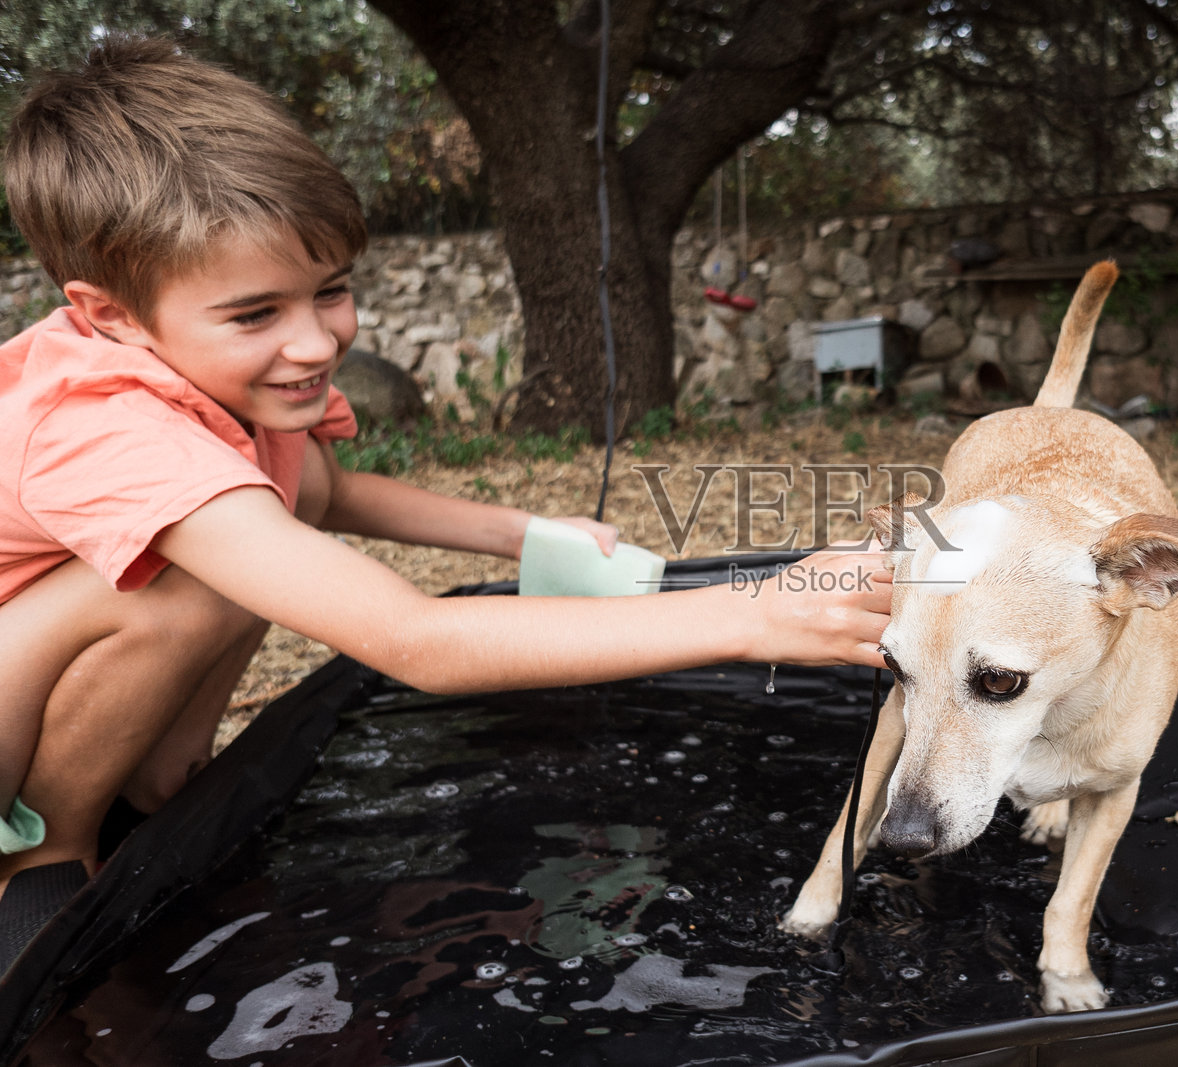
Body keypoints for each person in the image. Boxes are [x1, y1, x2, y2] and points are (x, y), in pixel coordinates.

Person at [0, 37, 890, 972]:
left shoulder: (227, 379)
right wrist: (757, 611)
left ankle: (157, 783)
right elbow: (411, 640)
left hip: (48, 681)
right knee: (196, 577)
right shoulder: (103, 424)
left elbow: (326, 490)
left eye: (332, 292)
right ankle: (44, 852)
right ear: (112, 318)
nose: (315, 342)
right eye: (257, 314)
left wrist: (527, 532)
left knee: (270, 521)